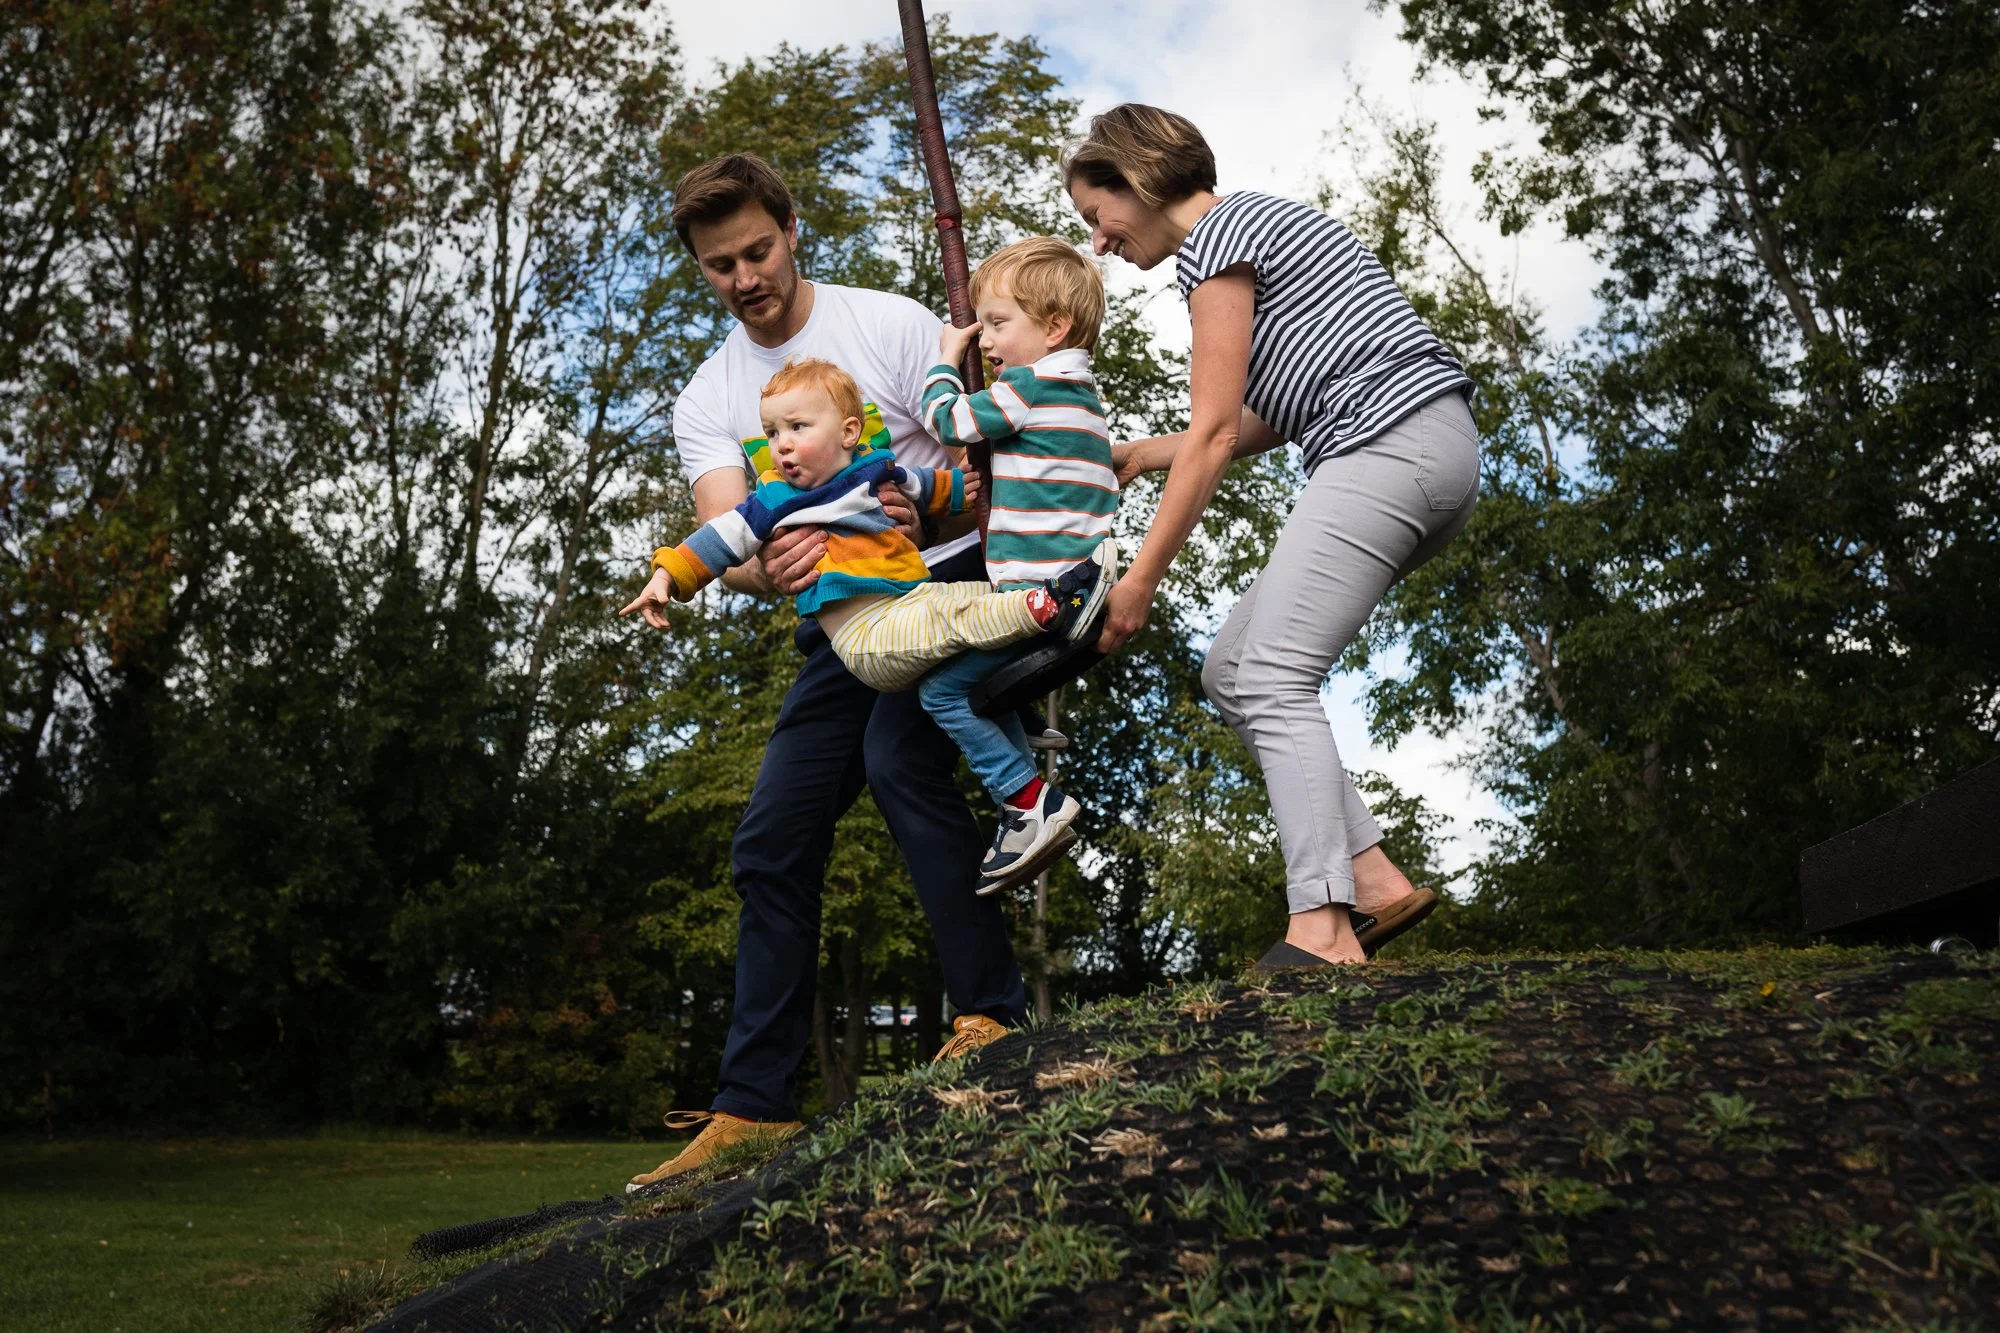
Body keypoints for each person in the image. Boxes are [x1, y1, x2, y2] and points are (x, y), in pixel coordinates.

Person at [617, 154, 1026, 1193]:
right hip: (840, 623)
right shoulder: (710, 397)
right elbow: (734, 534)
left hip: (946, 588)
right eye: (720, 265)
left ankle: (991, 1017)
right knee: (768, 838)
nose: (744, 275)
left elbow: (984, 473)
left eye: (757, 250)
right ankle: (754, 1106)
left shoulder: (883, 324)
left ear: (790, 230)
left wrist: (926, 507)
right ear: (701, 272)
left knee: (901, 762)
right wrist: (768, 560)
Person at [1067, 104, 1479, 968]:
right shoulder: (1266, 223)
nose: (1098, 242)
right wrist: (1145, 452)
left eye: (1094, 216)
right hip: (1423, 447)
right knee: (1233, 670)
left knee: (1276, 674)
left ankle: (1322, 929)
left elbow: (1215, 431)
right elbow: (1265, 412)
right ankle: (1372, 879)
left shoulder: (1219, 241)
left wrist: (1138, 580)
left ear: (1134, 181)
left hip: (1386, 446)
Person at [621, 355, 1114, 875]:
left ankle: (1024, 785)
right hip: (867, 638)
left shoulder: (873, 472)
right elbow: (718, 540)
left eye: (798, 427)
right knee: (957, 614)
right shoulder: (776, 501)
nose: (781, 443)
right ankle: (1052, 604)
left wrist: (966, 485)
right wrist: (667, 577)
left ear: (850, 432)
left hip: (907, 608)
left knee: (955, 638)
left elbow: (931, 486)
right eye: (771, 431)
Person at [916, 236, 1122, 895]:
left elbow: (945, 420)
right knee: (973, 677)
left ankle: (1028, 797)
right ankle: (1025, 734)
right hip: (1079, 582)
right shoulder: (1084, 399)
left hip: (1040, 593)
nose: (988, 342)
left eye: (999, 323)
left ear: (1055, 327)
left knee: (938, 688)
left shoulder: (1027, 387)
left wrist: (947, 359)